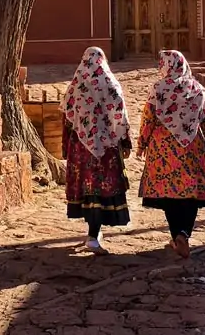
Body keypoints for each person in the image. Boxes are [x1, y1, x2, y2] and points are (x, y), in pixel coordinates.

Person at [137, 50, 205, 259]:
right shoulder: (197, 89)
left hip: (163, 149)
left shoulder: (159, 88)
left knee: (169, 193)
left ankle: (176, 235)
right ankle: (184, 233)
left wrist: (142, 143)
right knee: (190, 193)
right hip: (191, 148)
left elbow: (148, 118)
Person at [61, 47, 132, 255]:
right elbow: (119, 116)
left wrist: (66, 147)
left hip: (80, 148)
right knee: (101, 190)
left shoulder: (76, 86)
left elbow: (66, 119)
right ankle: (93, 234)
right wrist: (125, 143)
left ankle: (92, 233)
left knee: (87, 188)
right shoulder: (110, 84)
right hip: (106, 149)